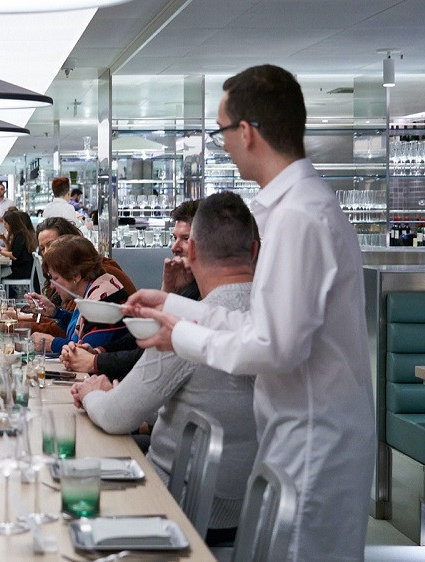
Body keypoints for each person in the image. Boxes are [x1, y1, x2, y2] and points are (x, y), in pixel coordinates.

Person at [126, 64, 374, 562]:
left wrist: (182, 337)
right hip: (296, 434)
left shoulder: (299, 215)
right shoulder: (290, 208)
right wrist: (174, 306)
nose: (222, 144)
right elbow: (263, 324)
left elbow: (274, 346)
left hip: (314, 442)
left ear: (246, 132)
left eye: (221, 130)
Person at [72, 192, 260, 545]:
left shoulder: (187, 324)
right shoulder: (273, 319)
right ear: (254, 250)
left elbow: (115, 416)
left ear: (193, 251)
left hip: (179, 504)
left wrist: (93, 392)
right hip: (249, 510)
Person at [62, 199, 201, 378]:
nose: (174, 247)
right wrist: (99, 351)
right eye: (174, 238)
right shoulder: (188, 284)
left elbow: (153, 354)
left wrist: (95, 361)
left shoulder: (204, 295)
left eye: (185, 239)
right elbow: (143, 336)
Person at [26, 235, 128, 354]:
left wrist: (51, 343)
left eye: (55, 278)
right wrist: (55, 312)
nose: (52, 286)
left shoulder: (103, 301)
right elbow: (85, 326)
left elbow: (85, 351)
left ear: (75, 275)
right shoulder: (97, 289)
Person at [0, 208, 35, 294]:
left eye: (5, 224)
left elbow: (14, 256)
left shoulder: (20, 235)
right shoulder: (19, 233)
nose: (4, 226)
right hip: (20, 267)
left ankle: (6, 295)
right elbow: (10, 249)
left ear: (10, 223)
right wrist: (4, 239)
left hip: (21, 270)